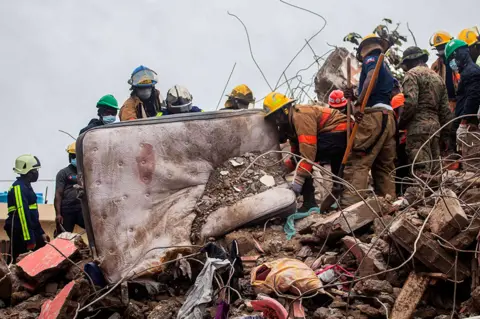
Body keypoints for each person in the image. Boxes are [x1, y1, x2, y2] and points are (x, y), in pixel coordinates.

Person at [263, 92, 351, 212]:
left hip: (341, 132)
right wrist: (284, 170)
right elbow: (296, 151)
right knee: (303, 160)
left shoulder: (300, 116)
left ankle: (311, 202)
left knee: (305, 159)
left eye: (276, 116)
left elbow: (308, 151)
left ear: (285, 110)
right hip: (332, 135)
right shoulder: (289, 124)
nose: (276, 120)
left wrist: (298, 181)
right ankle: (322, 201)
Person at [342, 34, 397, 207]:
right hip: (387, 118)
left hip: (374, 116)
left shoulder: (371, 59)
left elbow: (370, 80)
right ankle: (388, 204)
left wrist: (358, 103)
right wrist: (356, 97)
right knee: (384, 166)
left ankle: (350, 208)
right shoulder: (385, 67)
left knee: (358, 161)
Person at [398, 47, 452, 176]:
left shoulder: (411, 75)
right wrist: (445, 136)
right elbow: (445, 111)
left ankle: (421, 194)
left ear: (411, 61)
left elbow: (411, 103)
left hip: (418, 129)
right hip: (436, 128)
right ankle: (436, 196)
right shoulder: (438, 79)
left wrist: (401, 124)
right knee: (435, 171)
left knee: (421, 171)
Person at [4, 155, 48, 263]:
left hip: (30, 229)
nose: (37, 173)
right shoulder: (18, 187)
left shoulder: (27, 186)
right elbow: (23, 214)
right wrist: (29, 239)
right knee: (21, 262)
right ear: (29, 172)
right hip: (20, 230)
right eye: (35, 170)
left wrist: (41, 232)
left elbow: (33, 215)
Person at [445, 39, 480, 157]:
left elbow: (473, 98)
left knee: (472, 163)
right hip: (464, 122)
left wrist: (463, 124)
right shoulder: (466, 72)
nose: (451, 63)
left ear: (459, 54)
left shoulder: (471, 72)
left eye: (452, 59)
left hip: (469, 125)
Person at [54, 142, 85, 234]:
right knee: (62, 237)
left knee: (95, 231)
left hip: (81, 209)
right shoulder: (63, 173)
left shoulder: (86, 173)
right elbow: (58, 194)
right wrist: (58, 214)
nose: (73, 158)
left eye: (75, 156)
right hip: (67, 210)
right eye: (71, 156)